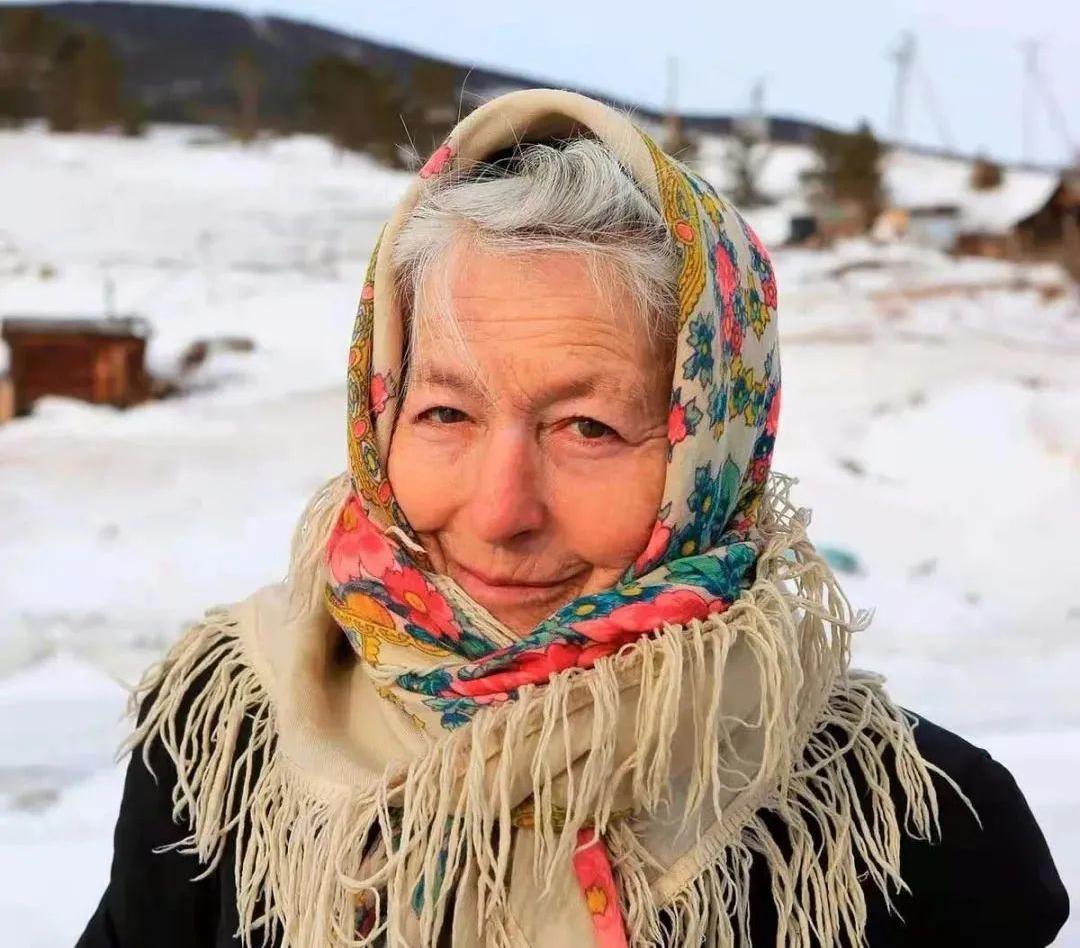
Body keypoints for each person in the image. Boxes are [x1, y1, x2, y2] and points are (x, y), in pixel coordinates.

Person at [77, 89, 1068, 948]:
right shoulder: (224, 751)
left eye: (588, 427)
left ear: (713, 451)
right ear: (380, 415)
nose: (501, 509)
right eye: (446, 413)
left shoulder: (911, 831)